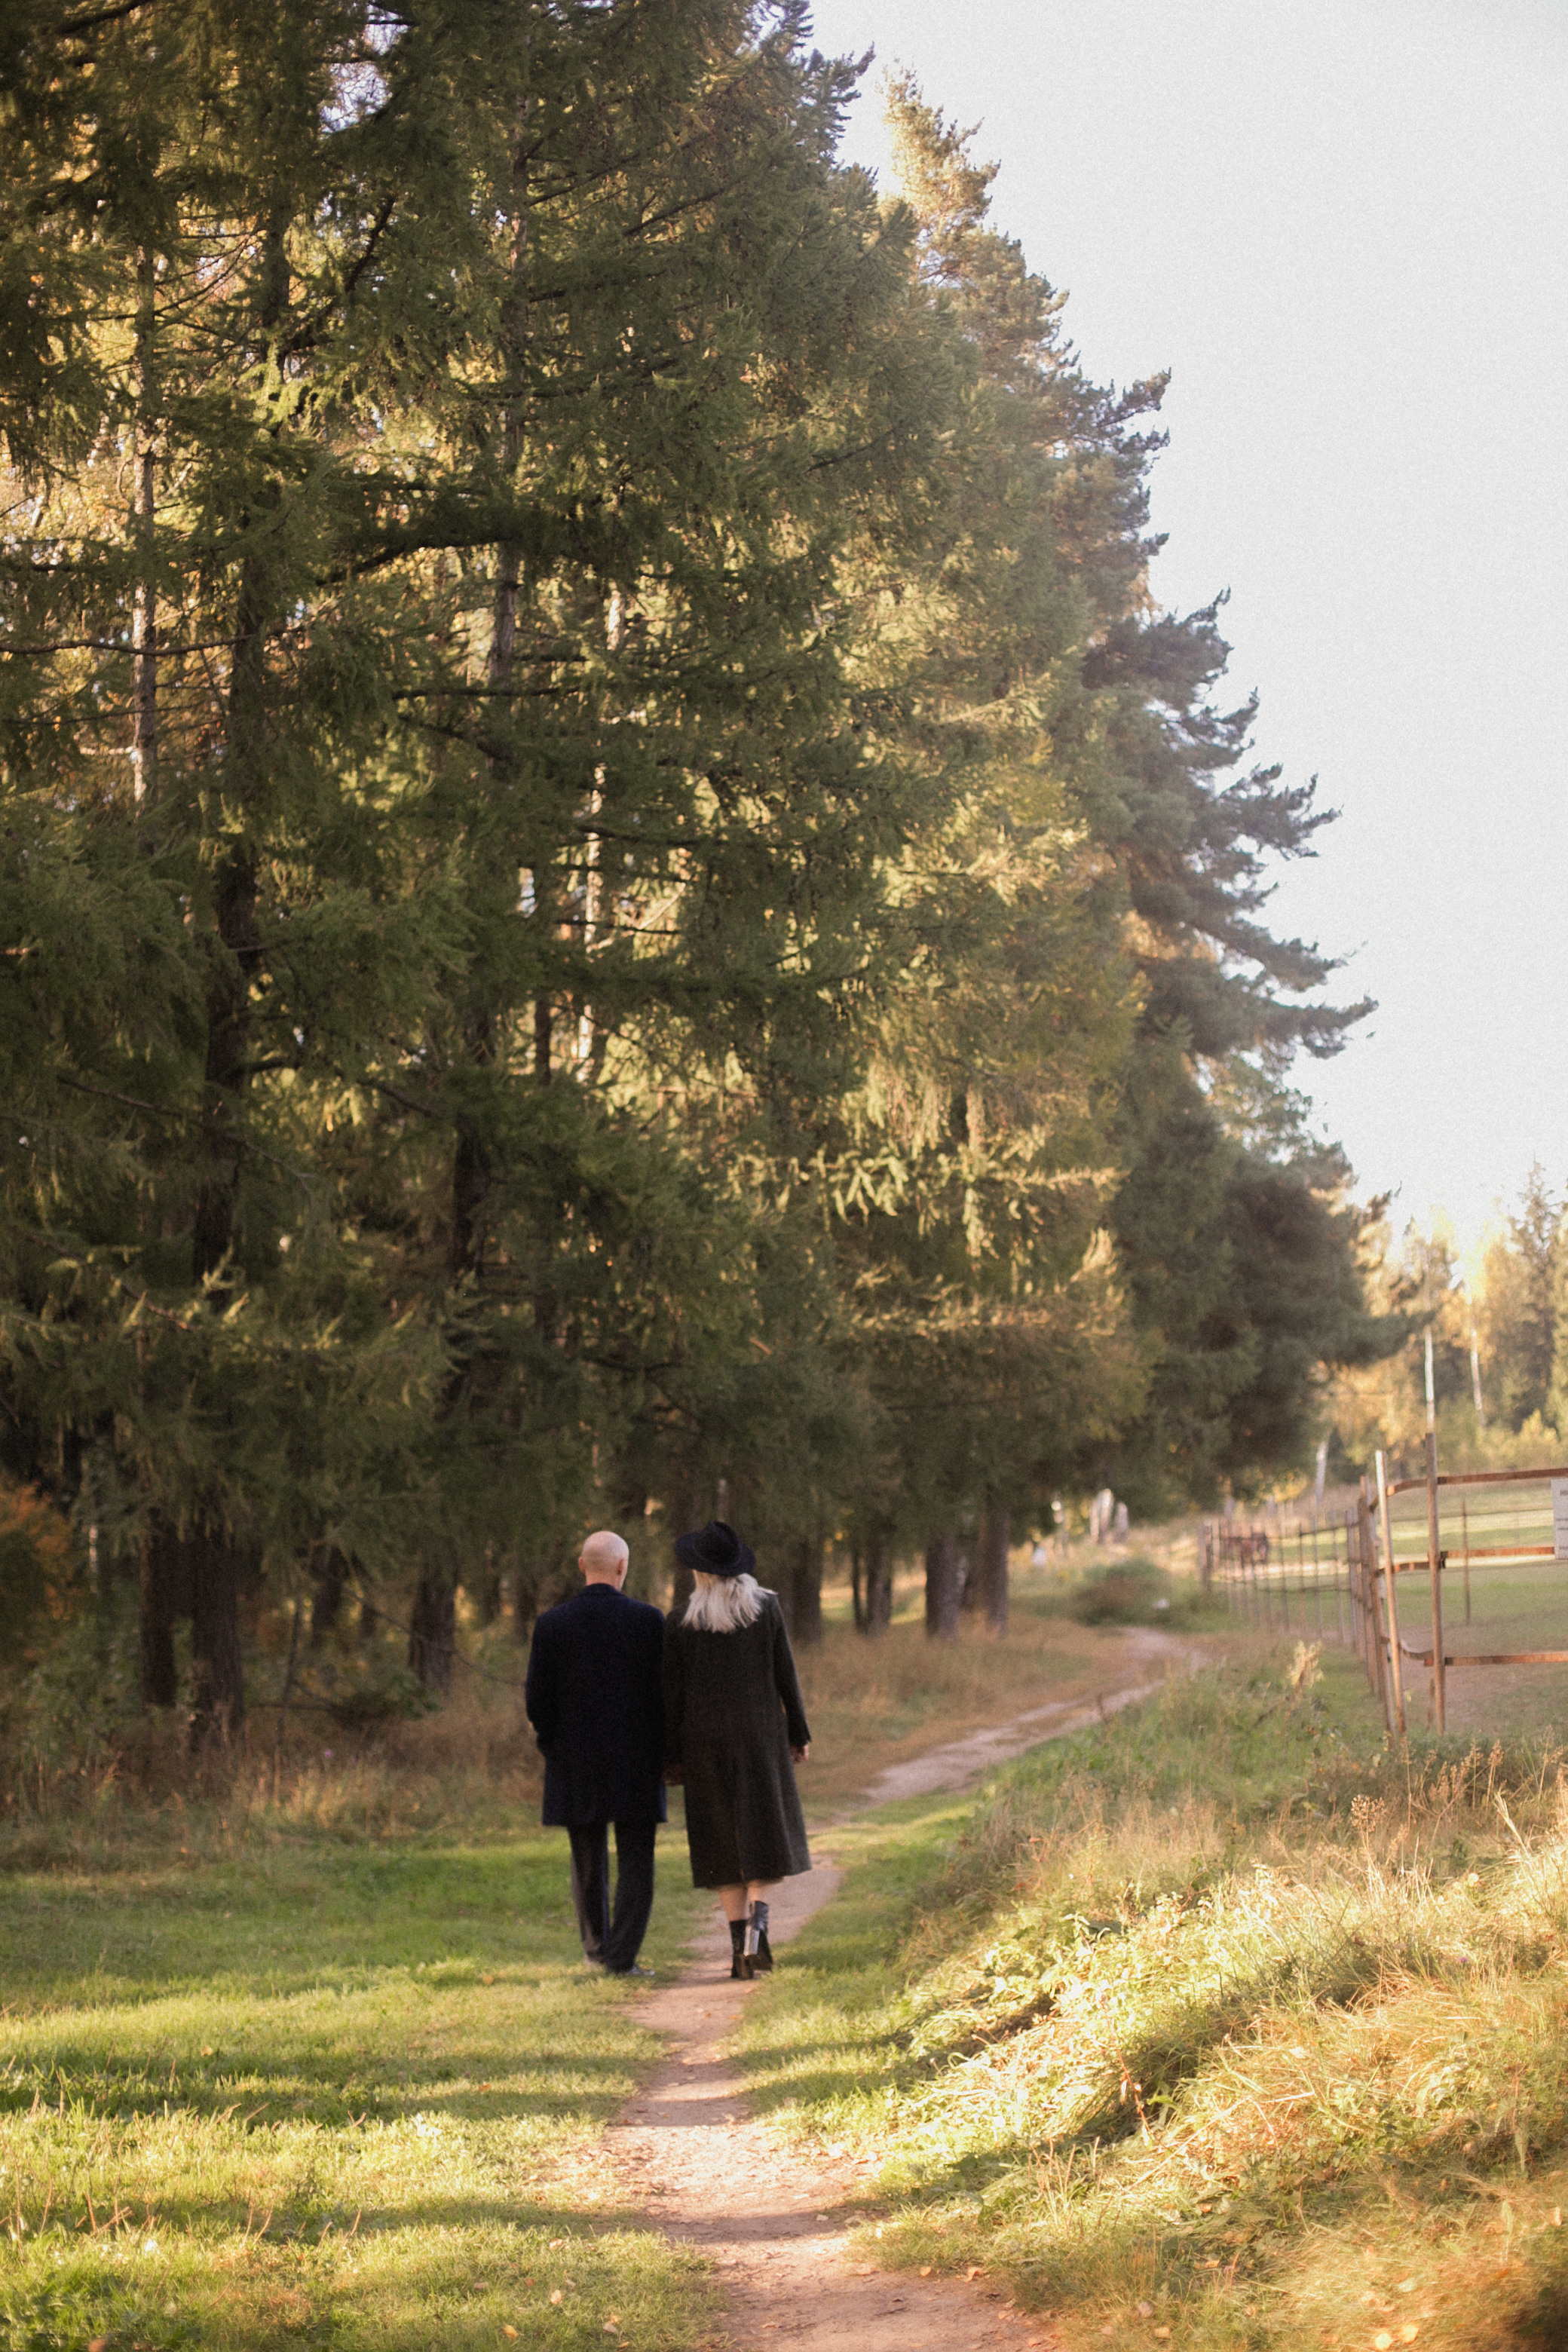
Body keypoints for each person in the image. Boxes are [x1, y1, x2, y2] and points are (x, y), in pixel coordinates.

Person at [661, 1519, 811, 1980]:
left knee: (719, 1840)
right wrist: (798, 1733)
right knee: (764, 1831)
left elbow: (671, 1696)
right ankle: (757, 1935)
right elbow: (785, 1674)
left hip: (703, 1744)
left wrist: (671, 1758)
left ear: (699, 1572)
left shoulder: (681, 1620)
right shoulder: (765, 1609)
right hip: (760, 1736)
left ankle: (735, 1950)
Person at [524, 1529, 666, 1977]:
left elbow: (536, 1700)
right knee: (636, 1858)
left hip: (575, 1757)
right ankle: (623, 1959)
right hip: (637, 1759)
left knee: (586, 1857)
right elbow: (665, 1696)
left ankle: (596, 1950)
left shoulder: (552, 1624)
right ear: (623, 1567)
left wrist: (553, 1742)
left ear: (583, 1566)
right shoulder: (649, 1622)